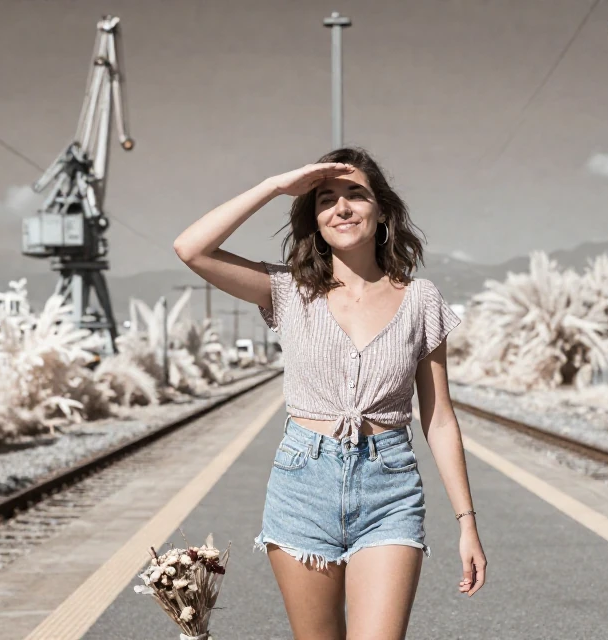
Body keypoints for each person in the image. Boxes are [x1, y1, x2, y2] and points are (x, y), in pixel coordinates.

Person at [173, 147, 486, 639]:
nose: (341, 207)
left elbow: (440, 418)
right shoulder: (288, 290)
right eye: (325, 199)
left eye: (355, 194)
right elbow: (191, 249)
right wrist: (276, 185)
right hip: (302, 485)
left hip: (390, 489)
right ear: (314, 219)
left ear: (381, 210)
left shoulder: (421, 299)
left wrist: (467, 522)